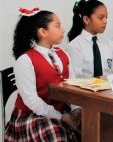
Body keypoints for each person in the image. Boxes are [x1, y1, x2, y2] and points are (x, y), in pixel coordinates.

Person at [4, 8, 80, 141]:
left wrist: (76, 109)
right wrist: (60, 116)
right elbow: (31, 101)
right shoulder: (25, 60)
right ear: (43, 32)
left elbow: (72, 85)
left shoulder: (64, 55)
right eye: (57, 26)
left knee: (94, 126)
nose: (63, 29)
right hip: (32, 115)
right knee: (56, 135)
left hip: (61, 110)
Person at [66, 0, 113, 78]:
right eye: (100, 17)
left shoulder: (110, 44)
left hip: (109, 89)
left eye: (106, 17)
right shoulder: (74, 46)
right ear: (86, 19)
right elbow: (75, 78)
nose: (105, 21)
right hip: (84, 89)